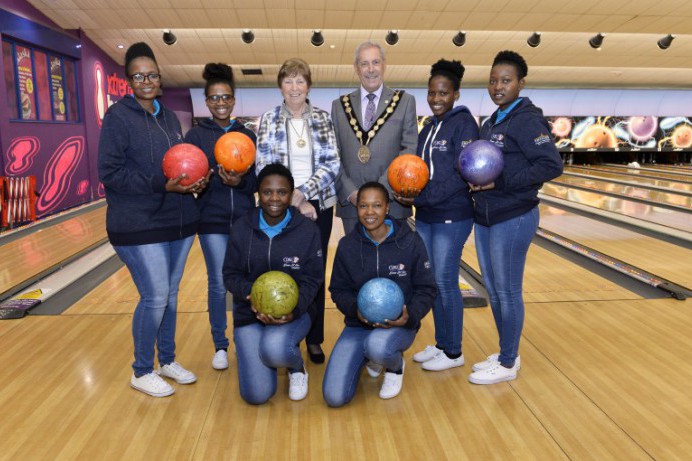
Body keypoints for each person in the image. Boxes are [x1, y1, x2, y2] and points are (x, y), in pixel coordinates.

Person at [98, 42, 209, 397]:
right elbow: (111, 174)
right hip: (137, 224)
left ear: (160, 77)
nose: (146, 81)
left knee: (171, 295)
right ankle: (141, 369)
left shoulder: (170, 118)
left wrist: (193, 183)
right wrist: (161, 184)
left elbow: (180, 165)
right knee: (156, 296)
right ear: (129, 80)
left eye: (152, 74)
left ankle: (167, 360)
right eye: (138, 76)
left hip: (175, 223)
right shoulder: (118, 118)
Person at [467, 50, 563, 385]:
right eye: (493, 80)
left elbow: (551, 164)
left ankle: (508, 362)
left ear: (520, 83)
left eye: (506, 80)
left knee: (507, 291)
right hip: (487, 216)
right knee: (493, 289)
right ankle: (508, 352)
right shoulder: (491, 120)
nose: (498, 86)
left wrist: (503, 182)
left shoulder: (525, 119)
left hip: (514, 215)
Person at [394, 59, 479, 371]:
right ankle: (442, 343)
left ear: (455, 94)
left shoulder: (464, 124)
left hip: (452, 215)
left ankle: (454, 352)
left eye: (443, 93)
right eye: (431, 93)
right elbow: (414, 168)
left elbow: (460, 173)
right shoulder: (428, 126)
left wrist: (422, 197)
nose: (436, 99)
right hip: (428, 214)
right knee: (431, 280)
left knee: (445, 280)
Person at [255, 58, 339, 364]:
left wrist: (305, 194)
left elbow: (332, 162)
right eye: (288, 81)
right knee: (281, 269)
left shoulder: (323, 118)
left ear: (309, 86)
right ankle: (282, 332)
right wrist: (292, 198)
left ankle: (314, 339)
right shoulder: (267, 119)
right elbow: (263, 165)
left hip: (318, 204)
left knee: (314, 273)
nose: (294, 88)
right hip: (279, 205)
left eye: (300, 81)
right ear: (280, 86)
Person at [323, 182, 436, 407]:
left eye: (377, 205)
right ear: (356, 209)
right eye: (363, 206)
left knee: (378, 347)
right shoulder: (347, 245)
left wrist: (410, 315)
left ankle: (393, 366)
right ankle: (372, 357)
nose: (370, 212)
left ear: (387, 208)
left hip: (399, 324)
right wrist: (355, 309)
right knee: (334, 397)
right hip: (358, 324)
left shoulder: (410, 242)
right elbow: (338, 290)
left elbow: (427, 288)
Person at [222, 164, 324, 404]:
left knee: (275, 349)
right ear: (258, 193)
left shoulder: (307, 229)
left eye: (282, 192)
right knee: (257, 395)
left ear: (291, 195)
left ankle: (296, 367)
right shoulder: (242, 227)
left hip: (296, 312)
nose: (274, 198)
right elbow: (229, 274)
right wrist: (254, 296)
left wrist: (295, 310)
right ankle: (269, 352)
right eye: (268, 192)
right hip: (250, 312)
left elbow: (313, 278)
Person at [185, 63, 257, 371]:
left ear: (233, 98)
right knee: (217, 283)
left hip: (244, 219)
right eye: (214, 98)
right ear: (207, 101)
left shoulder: (246, 135)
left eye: (226, 97)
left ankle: (244, 337)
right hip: (211, 221)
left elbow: (257, 181)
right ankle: (220, 344)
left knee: (243, 281)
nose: (221, 103)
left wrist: (239, 182)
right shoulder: (196, 136)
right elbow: (187, 179)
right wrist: (197, 186)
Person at [331, 41, 418, 234]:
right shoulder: (339, 106)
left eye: (376, 62)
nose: (371, 69)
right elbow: (332, 155)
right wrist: (351, 192)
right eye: (364, 64)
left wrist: (381, 192)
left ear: (384, 65)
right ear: (356, 68)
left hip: (392, 203)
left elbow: (408, 152)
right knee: (356, 263)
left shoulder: (404, 102)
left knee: (393, 263)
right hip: (352, 204)